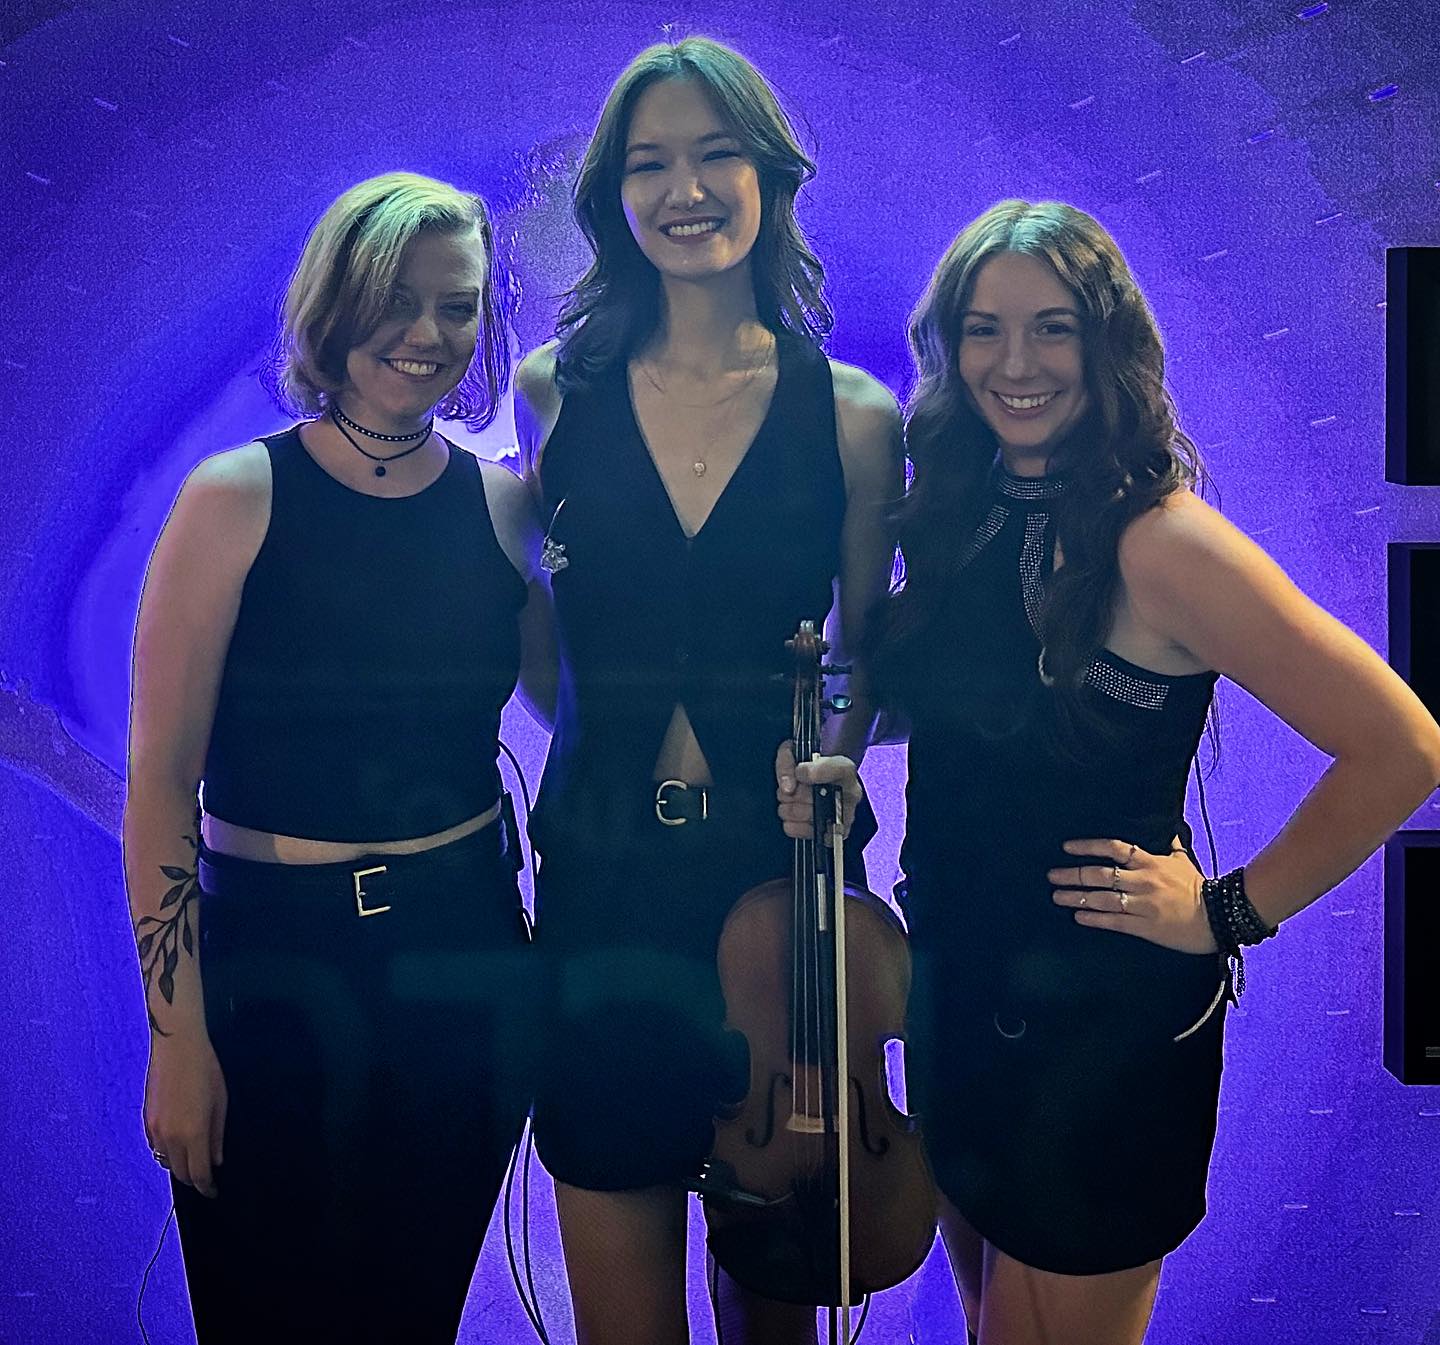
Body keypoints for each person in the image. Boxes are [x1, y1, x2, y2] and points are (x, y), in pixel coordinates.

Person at [841, 198, 1440, 1345]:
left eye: (1053, 328)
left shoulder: (1163, 541)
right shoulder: (961, 509)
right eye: (984, 328)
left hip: (1099, 1039)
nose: (1015, 364)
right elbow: (985, 720)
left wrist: (1227, 908)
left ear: (1106, 343)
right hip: (960, 999)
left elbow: (1404, 747)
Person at [512, 36, 900, 1345]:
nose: (685, 186)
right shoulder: (547, 392)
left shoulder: (852, 414)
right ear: (613, 195)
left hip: (773, 897)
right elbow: (543, 650)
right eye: (650, 161)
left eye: (714, 152)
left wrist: (834, 762)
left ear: (769, 172)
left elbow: (859, 662)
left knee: (774, 1312)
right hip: (600, 892)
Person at [124, 171, 548, 1343]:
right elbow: (159, 784)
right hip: (271, 974)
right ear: (332, 304)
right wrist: (177, 1040)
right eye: (395, 299)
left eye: (456, 306)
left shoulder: (506, 513)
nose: (426, 334)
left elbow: (586, 705)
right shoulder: (234, 499)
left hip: (460, 967)